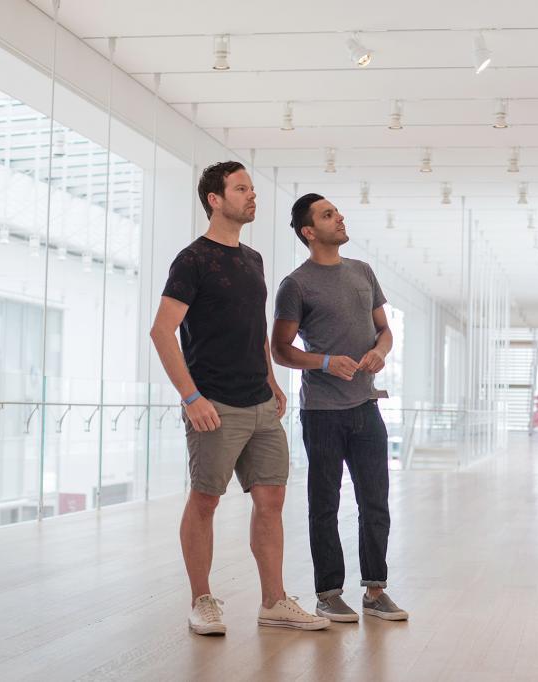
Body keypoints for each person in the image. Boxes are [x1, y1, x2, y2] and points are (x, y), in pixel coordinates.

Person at [149, 162, 329, 635]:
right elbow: (162, 331)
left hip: (260, 405)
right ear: (215, 198)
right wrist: (191, 398)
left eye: (252, 189)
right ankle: (202, 601)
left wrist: (271, 380)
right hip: (214, 404)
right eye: (241, 189)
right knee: (205, 501)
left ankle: (274, 601)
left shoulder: (253, 260)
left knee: (271, 500)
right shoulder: (192, 260)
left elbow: (253, 332)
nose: (252, 196)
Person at [271, 193, 409, 623]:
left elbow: (384, 330)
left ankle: (374, 591)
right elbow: (280, 349)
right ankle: (328, 594)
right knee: (324, 503)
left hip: (366, 406)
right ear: (309, 231)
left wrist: (381, 352)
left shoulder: (363, 272)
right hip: (322, 413)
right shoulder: (295, 284)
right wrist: (326, 362)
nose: (340, 218)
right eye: (329, 215)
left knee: (376, 501)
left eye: (338, 212)